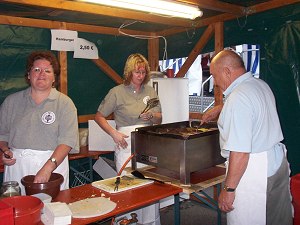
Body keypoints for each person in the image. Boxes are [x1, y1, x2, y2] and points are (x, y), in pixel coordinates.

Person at [206, 49, 293, 225]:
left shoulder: (238, 99)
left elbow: (240, 152)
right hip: (276, 163)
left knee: (252, 218)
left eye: (215, 76)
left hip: (255, 169)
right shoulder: (259, 84)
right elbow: (252, 108)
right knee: (277, 218)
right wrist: (222, 107)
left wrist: (229, 190)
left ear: (227, 72)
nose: (215, 83)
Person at [95, 53, 162, 225]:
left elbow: (160, 118)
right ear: (129, 72)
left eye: (143, 72)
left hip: (148, 143)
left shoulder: (150, 91)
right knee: (128, 187)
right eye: (137, 72)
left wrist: (152, 116)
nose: (140, 76)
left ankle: (150, 222)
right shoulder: (116, 92)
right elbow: (99, 116)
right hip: (125, 144)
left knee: (149, 186)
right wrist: (113, 133)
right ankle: (126, 221)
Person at [0, 50, 79, 194]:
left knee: (52, 210)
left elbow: (67, 141)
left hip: (53, 165)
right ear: (29, 75)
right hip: (17, 166)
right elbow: (3, 135)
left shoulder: (65, 103)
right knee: (18, 210)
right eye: (36, 69)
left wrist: (47, 168)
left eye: (47, 71)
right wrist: (5, 152)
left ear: (54, 77)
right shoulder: (11, 102)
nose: (41, 74)